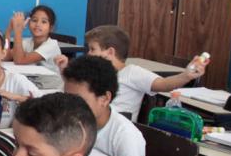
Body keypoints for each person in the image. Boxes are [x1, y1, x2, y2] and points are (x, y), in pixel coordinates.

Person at [62, 55, 149, 156]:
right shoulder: (76, 121)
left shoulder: (125, 134)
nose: (70, 107)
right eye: (66, 98)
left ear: (105, 98)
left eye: (79, 100)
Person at [75, 25, 205, 119]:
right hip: (93, 124)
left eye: (93, 49)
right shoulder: (97, 72)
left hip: (117, 130)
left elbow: (163, 84)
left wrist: (186, 76)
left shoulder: (132, 73)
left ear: (110, 52)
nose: (88, 53)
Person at [7, 4, 62, 74]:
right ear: (28, 23)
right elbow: (6, 56)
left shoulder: (51, 45)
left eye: (44, 22)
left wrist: (18, 31)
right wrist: (9, 29)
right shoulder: (28, 42)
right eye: (34, 20)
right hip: (36, 81)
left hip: (51, 83)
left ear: (51, 28)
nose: (38, 24)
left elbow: (19, 60)